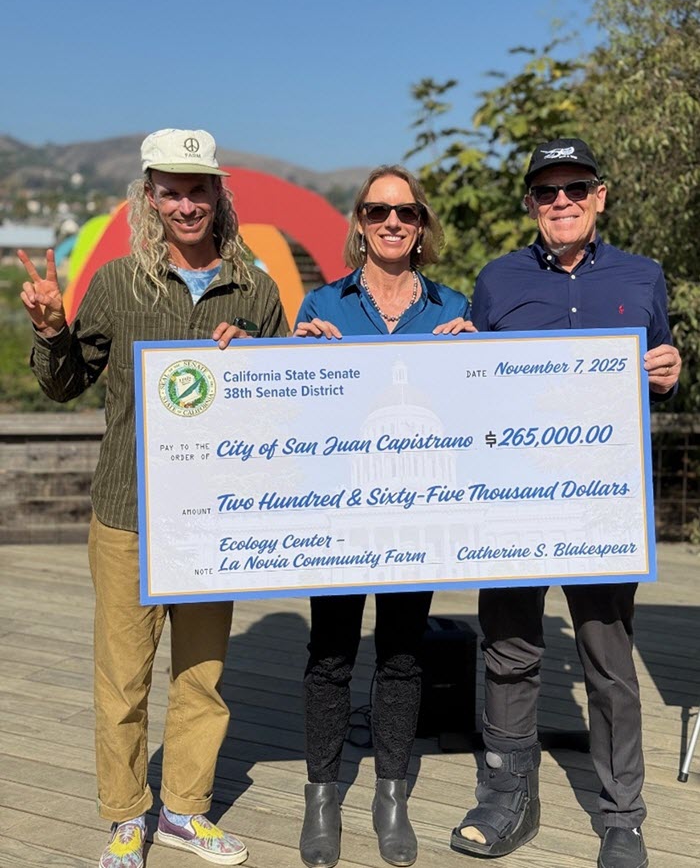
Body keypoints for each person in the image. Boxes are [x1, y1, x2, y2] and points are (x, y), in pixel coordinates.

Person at [18, 128, 288, 868]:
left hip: (212, 522)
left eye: (199, 188)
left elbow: (285, 407)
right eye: (171, 190)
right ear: (150, 197)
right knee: (122, 679)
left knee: (203, 677)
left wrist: (261, 362)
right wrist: (48, 330)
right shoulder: (114, 283)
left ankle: (184, 811)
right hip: (130, 514)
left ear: (217, 195)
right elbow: (65, 382)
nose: (186, 202)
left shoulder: (257, 290)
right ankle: (126, 816)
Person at [451, 138, 681, 868]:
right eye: (546, 191)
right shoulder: (495, 281)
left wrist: (671, 369)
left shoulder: (644, 278)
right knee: (510, 651)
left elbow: (662, 362)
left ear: (600, 196)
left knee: (608, 661)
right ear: (530, 205)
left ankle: (623, 817)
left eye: (575, 188)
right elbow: (470, 389)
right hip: (514, 503)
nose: (561, 201)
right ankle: (505, 794)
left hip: (602, 507)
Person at [293, 164, 474, 868]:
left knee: (402, 653)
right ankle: (321, 796)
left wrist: (474, 358)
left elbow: (475, 416)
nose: (392, 222)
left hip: (415, 512)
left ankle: (391, 794)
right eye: (377, 211)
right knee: (329, 654)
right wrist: (298, 363)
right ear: (359, 224)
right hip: (341, 511)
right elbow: (295, 412)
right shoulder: (322, 302)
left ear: (422, 224)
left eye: (405, 212)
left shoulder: (450, 304)